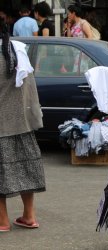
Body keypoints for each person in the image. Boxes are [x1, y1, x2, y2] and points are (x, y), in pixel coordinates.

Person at [0, 17, 45, 232]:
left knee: (2, 173)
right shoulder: (18, 51)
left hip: (1, 127)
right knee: (26, 170)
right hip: (23, 123)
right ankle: (29, 216)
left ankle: (2, 221)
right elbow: (30, 88)